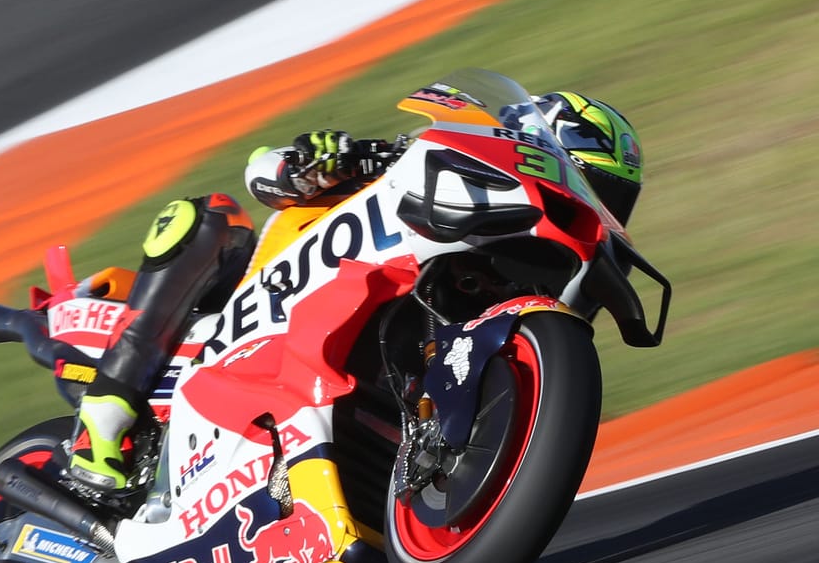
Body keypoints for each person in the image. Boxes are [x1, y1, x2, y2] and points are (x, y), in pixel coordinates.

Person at [62, 91, 643, 499]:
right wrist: (316, 161)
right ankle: (102, 425)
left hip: (313, 379)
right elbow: (263, 173)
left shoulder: (514, 304)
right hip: (234, 317)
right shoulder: (411, 169)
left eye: (609, 198)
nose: (588, 202)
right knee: (206, 216)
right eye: (583, 176)